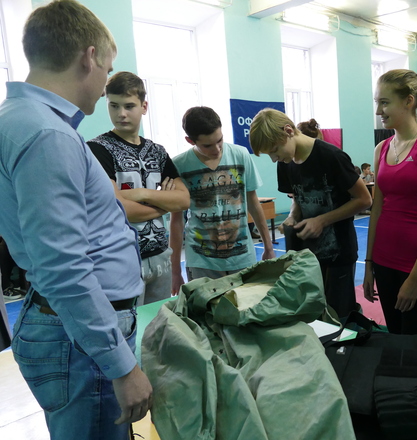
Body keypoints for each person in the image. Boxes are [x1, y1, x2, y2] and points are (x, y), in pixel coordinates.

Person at [0, 1, 152, 438]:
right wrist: (121, 366)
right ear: (89, 58)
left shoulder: (21, 120)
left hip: (72, 329)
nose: (105, 84)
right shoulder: (48, 134)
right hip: (82, 340)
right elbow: (63, 266)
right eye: (107, 69)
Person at [249, 108, 372, 318]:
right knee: (311, 316)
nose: (274, 159)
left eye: (274, 150)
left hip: (338, 253)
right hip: (307, 255)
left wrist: (322, 220)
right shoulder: (286, 162)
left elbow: (364, 200)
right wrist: (293, 216)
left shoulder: (332, 157)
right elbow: (298, 196)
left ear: (288, 131)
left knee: (338, 317)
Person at [361, 69, 417, 335]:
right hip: (383, 261)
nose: (378, 110)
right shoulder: (382, 148)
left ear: (409, 101)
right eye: (377, 102)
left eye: (384, 102)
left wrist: (416, 277)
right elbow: (377, 209)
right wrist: (369, 265)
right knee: (395, 338)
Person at [88, 72, 189, 305]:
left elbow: (184, 200)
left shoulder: (157, 151)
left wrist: (142, 194)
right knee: (128, 324)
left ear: (144, 107)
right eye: (114, 106)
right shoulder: (97, 149)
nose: (121, 114)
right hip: (122, 260)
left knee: (159, 321)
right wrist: (164, 203)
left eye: (129, 106)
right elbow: (119, 208)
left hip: (160, 257)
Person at [170, 107, 274, 294]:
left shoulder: (240, 155)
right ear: (190, 141)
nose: (217, 149)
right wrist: (175, 271)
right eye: (208, 146)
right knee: (205, 310)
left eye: (220, 140)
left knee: (246, 307)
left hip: (242, 257)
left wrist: (268, 247)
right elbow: (176, 221)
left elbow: (253, 202)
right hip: (202, 260)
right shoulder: (179, 165)